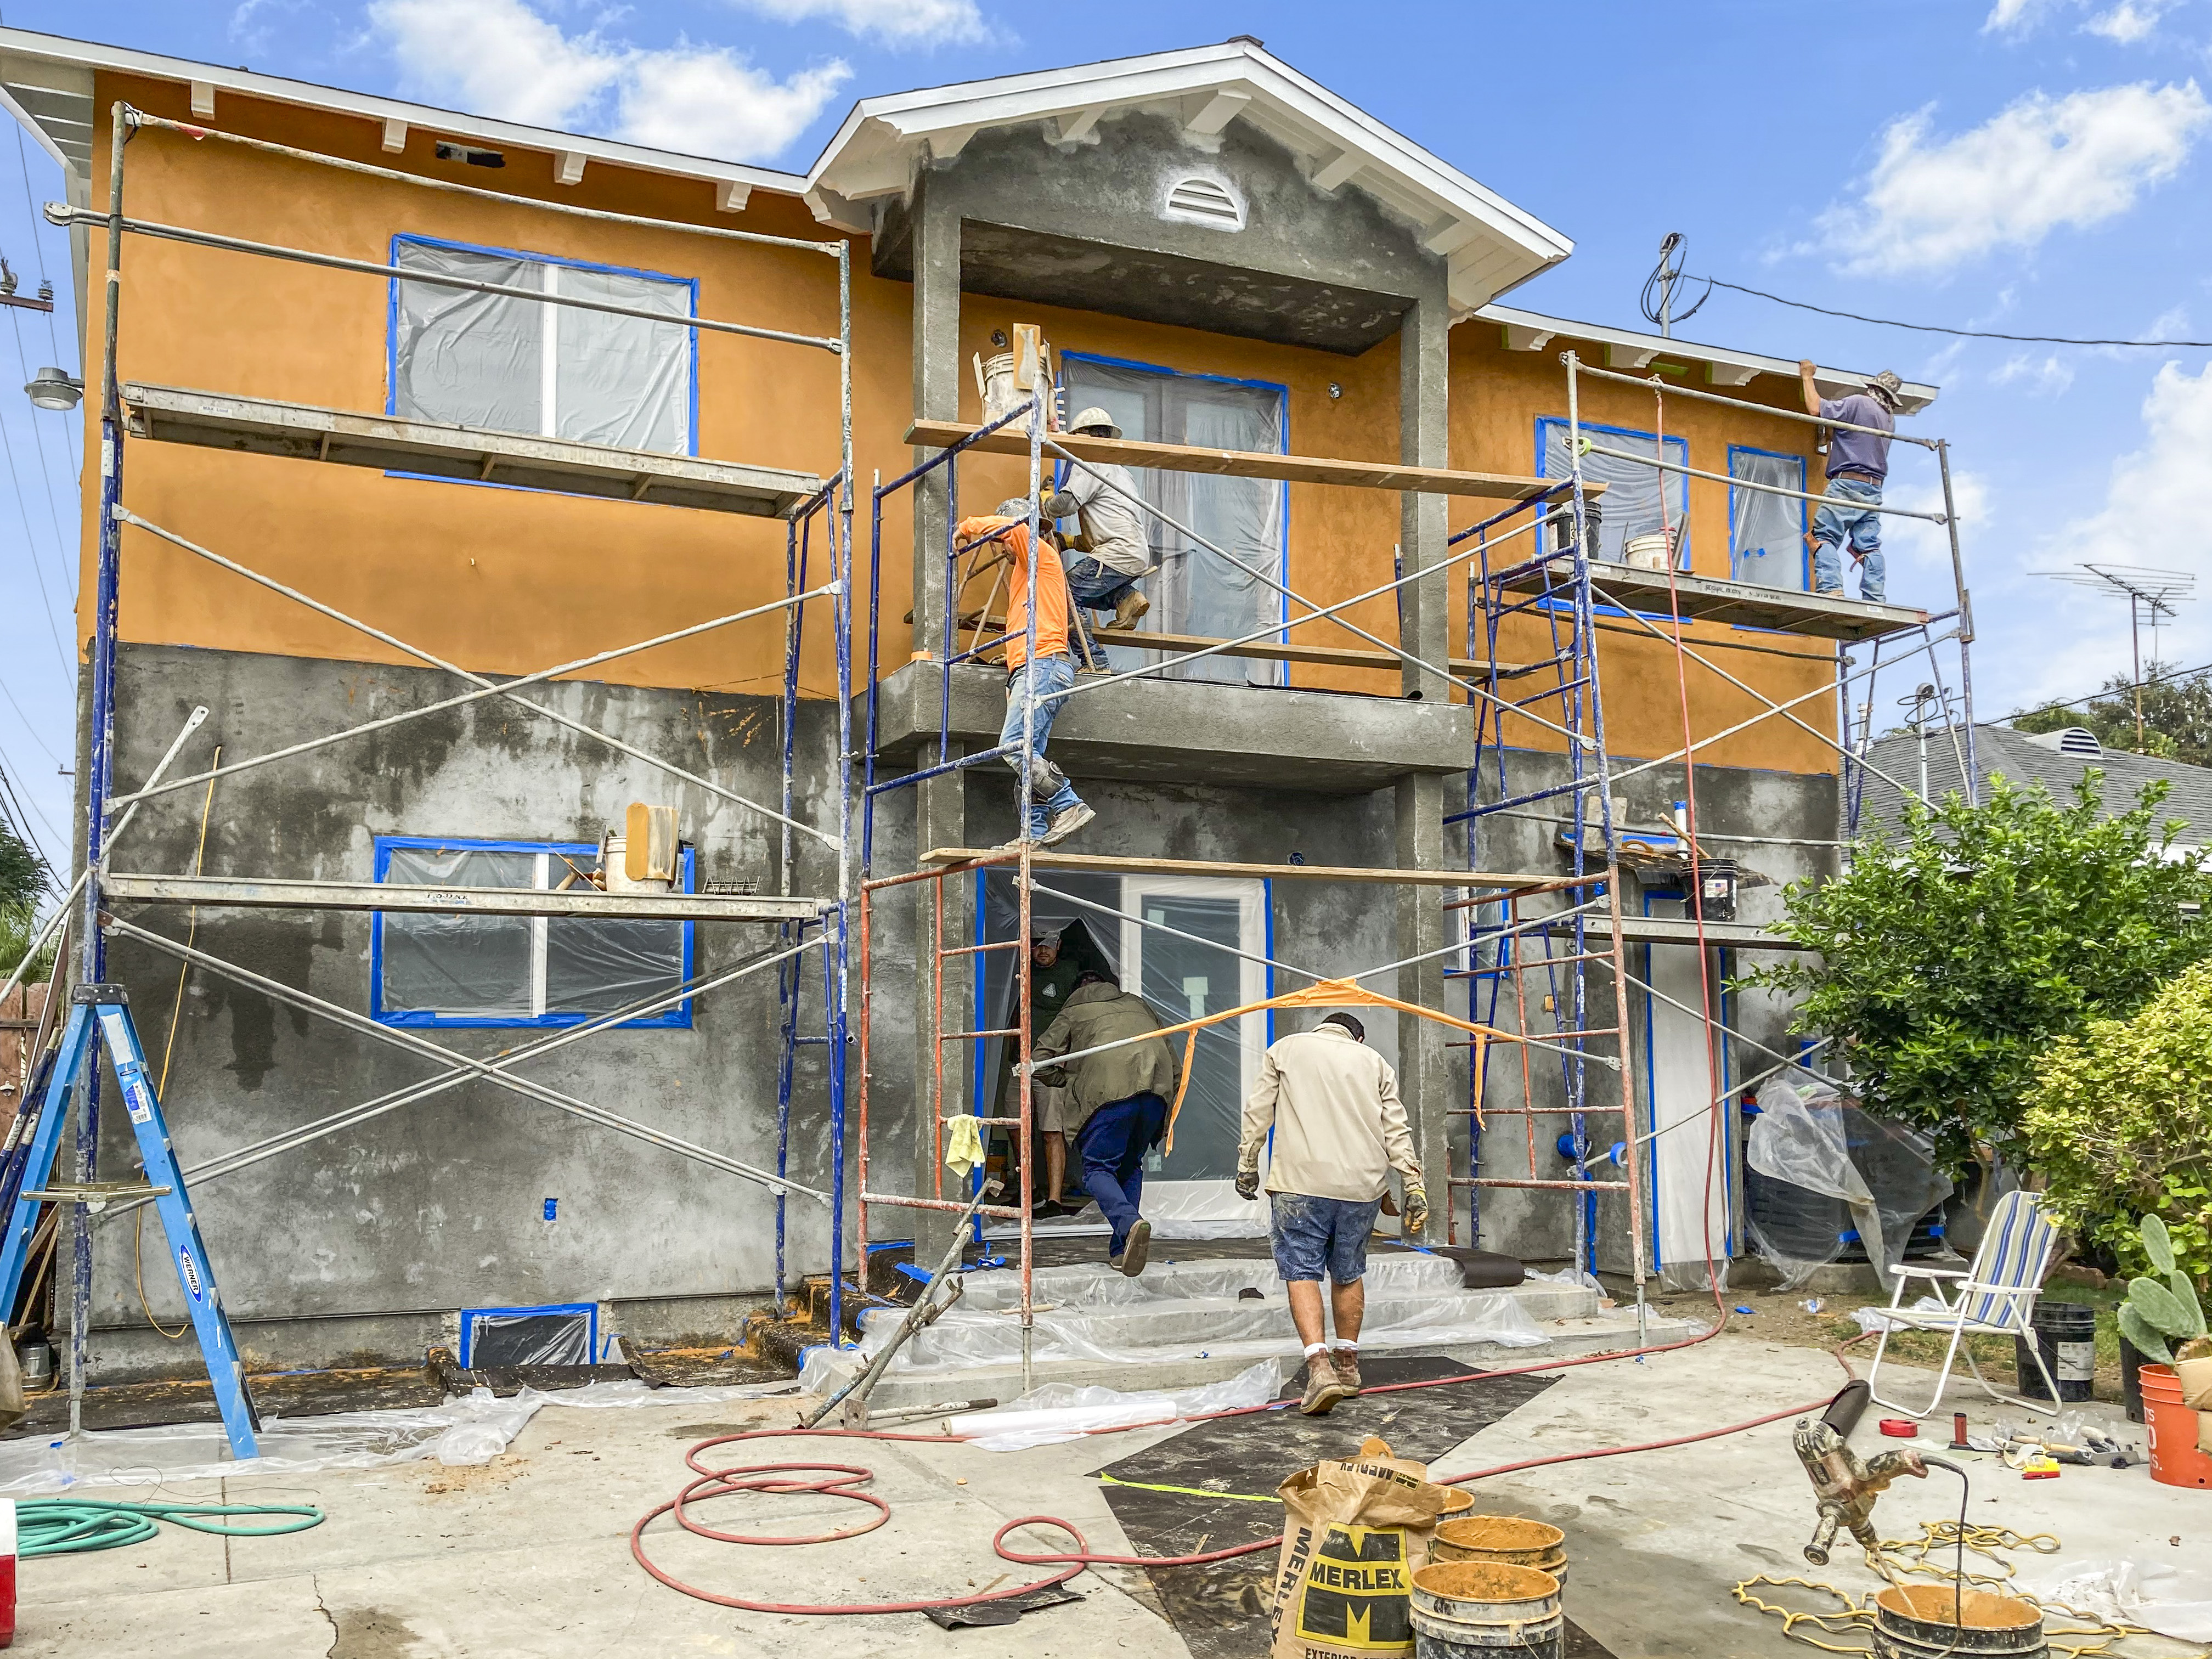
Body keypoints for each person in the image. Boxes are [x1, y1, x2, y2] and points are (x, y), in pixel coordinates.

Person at [1235, 1011, 1428, 1415]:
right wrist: (1413, 1185)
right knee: (1348, 1271)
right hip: (1361, 1188)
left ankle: (1319, 1368)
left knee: (1302, 1270)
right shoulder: (1374, 1061)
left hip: (1299, 1183)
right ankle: (1349, 1367)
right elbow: (1397, 1128)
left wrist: (1248, 1163)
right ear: (1357, 1038)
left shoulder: (1285, 1050)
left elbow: (1258, 1112)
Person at [955, 498, 1096, 847]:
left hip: (1044, 666)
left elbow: (1013, 530)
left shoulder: (1040, 553)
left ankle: (1069, 804)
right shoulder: (1026, 573)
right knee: (1027, 753)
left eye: (1005, 538)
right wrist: (1013, 669)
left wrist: (967, 526)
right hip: (1035, 668)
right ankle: (1031, 834)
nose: (1003, 546)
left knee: (1014, 748)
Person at [1034, 969, 1181, 1276]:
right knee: (1130, 1166)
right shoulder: (1140, 1006)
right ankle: (1121, 1250)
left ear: (1076, 990)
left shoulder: (1073, 1010)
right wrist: (1165, 1107)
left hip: (1107, 1096)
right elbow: (1175, 1065)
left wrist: (1070, 1080)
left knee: (1098, 1170)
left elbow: (1040, 1060)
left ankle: (1130, 1224)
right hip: (1155, 1093)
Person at [993, 923, 1114, 1216]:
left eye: (1048, 944)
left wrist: (1068, 1058)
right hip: (1017, 1062)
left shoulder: (1071, 973)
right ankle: (1029, 1191)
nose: (1042, 950)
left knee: (1051, 1130)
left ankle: (1055, 1201)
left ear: (1059, 945)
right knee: (1014, 1127)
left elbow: (1084, 1018)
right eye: (1036, 945)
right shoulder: (1019, 971)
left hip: (1050, 1062)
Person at [1799, 362, 1905, 604]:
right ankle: (1875, 597)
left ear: (1872, 388)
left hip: (1847, 484)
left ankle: (1831, 589)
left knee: (1822, 536)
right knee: (1868, 545)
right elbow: (1855, 439)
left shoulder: (1859, 403)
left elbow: (1816, 409)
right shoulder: (1888, 418)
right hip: (1873, 489)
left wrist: (1807, 377)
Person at [1056, 407, 1153, 631]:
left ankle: (1094, 660)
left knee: (1061, 592)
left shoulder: (1091, 463)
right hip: (1133, 553)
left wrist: (1046, 502)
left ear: (1081, 437)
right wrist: (1070, 542)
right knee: (1088, 590)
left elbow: (1066, 505)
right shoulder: (1122, 472)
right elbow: (1104, 530)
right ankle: (1125, 599)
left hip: (1116, 555)